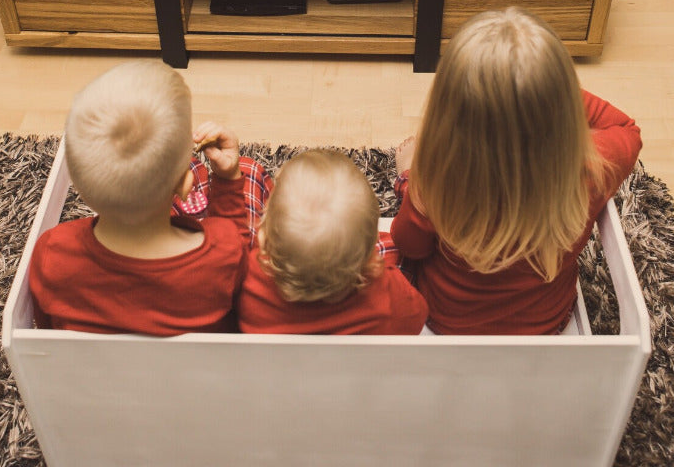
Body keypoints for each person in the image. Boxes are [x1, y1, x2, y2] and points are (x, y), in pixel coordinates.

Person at [391, 7, 642, 335]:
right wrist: (546, 93)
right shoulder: (592, 169)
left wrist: (407, 176)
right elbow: (626, 128)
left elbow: (409, 245)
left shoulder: (436, 177)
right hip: (545, 325)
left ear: (447, 113)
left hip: (446, 323)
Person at [29, 60, 268, 336]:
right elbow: (242, 278)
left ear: (79, 186)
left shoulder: (53, 252)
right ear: (185, 182)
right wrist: (227, 180)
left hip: (98, 376)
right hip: (202, 374)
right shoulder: (223, 252)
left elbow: (49, 333)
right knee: (250, 172)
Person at [237, 149, 428, 335]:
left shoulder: (245, 280)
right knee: (395, 244)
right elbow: (417, 316)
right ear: (370, 257)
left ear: (262, 239)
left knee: (247, 168)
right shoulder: (387, 296)